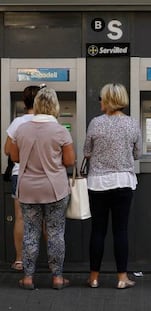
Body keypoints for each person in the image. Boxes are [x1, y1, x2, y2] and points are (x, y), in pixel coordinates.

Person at [9, 87, 75, 290]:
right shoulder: (61, 130)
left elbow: (15, 157)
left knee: (30, 232)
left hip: (28, 188)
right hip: (55, 189)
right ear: (54, 106)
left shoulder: (21, 129)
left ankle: (28, 277)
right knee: (55, 233)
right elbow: (69, 161)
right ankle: (57, 278)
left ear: (36, 105)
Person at [84, 83, 141, 289]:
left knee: (97, 230)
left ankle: (94, 278)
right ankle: (121, 278)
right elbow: (137, 154)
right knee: (120, 231)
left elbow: (87, 151)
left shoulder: (95, 123)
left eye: (101, 98)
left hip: (98, 182)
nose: (99, 101)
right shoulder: (132, 123)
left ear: (107, 100)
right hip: (123, 182)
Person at [4, 85, 40, 272]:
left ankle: (19, 260)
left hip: (21, 174)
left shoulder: (17, 123)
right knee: (45, 219)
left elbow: (7, 150)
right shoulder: (49, 121)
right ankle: (51, 261)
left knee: (20, 218)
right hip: (43, 176)